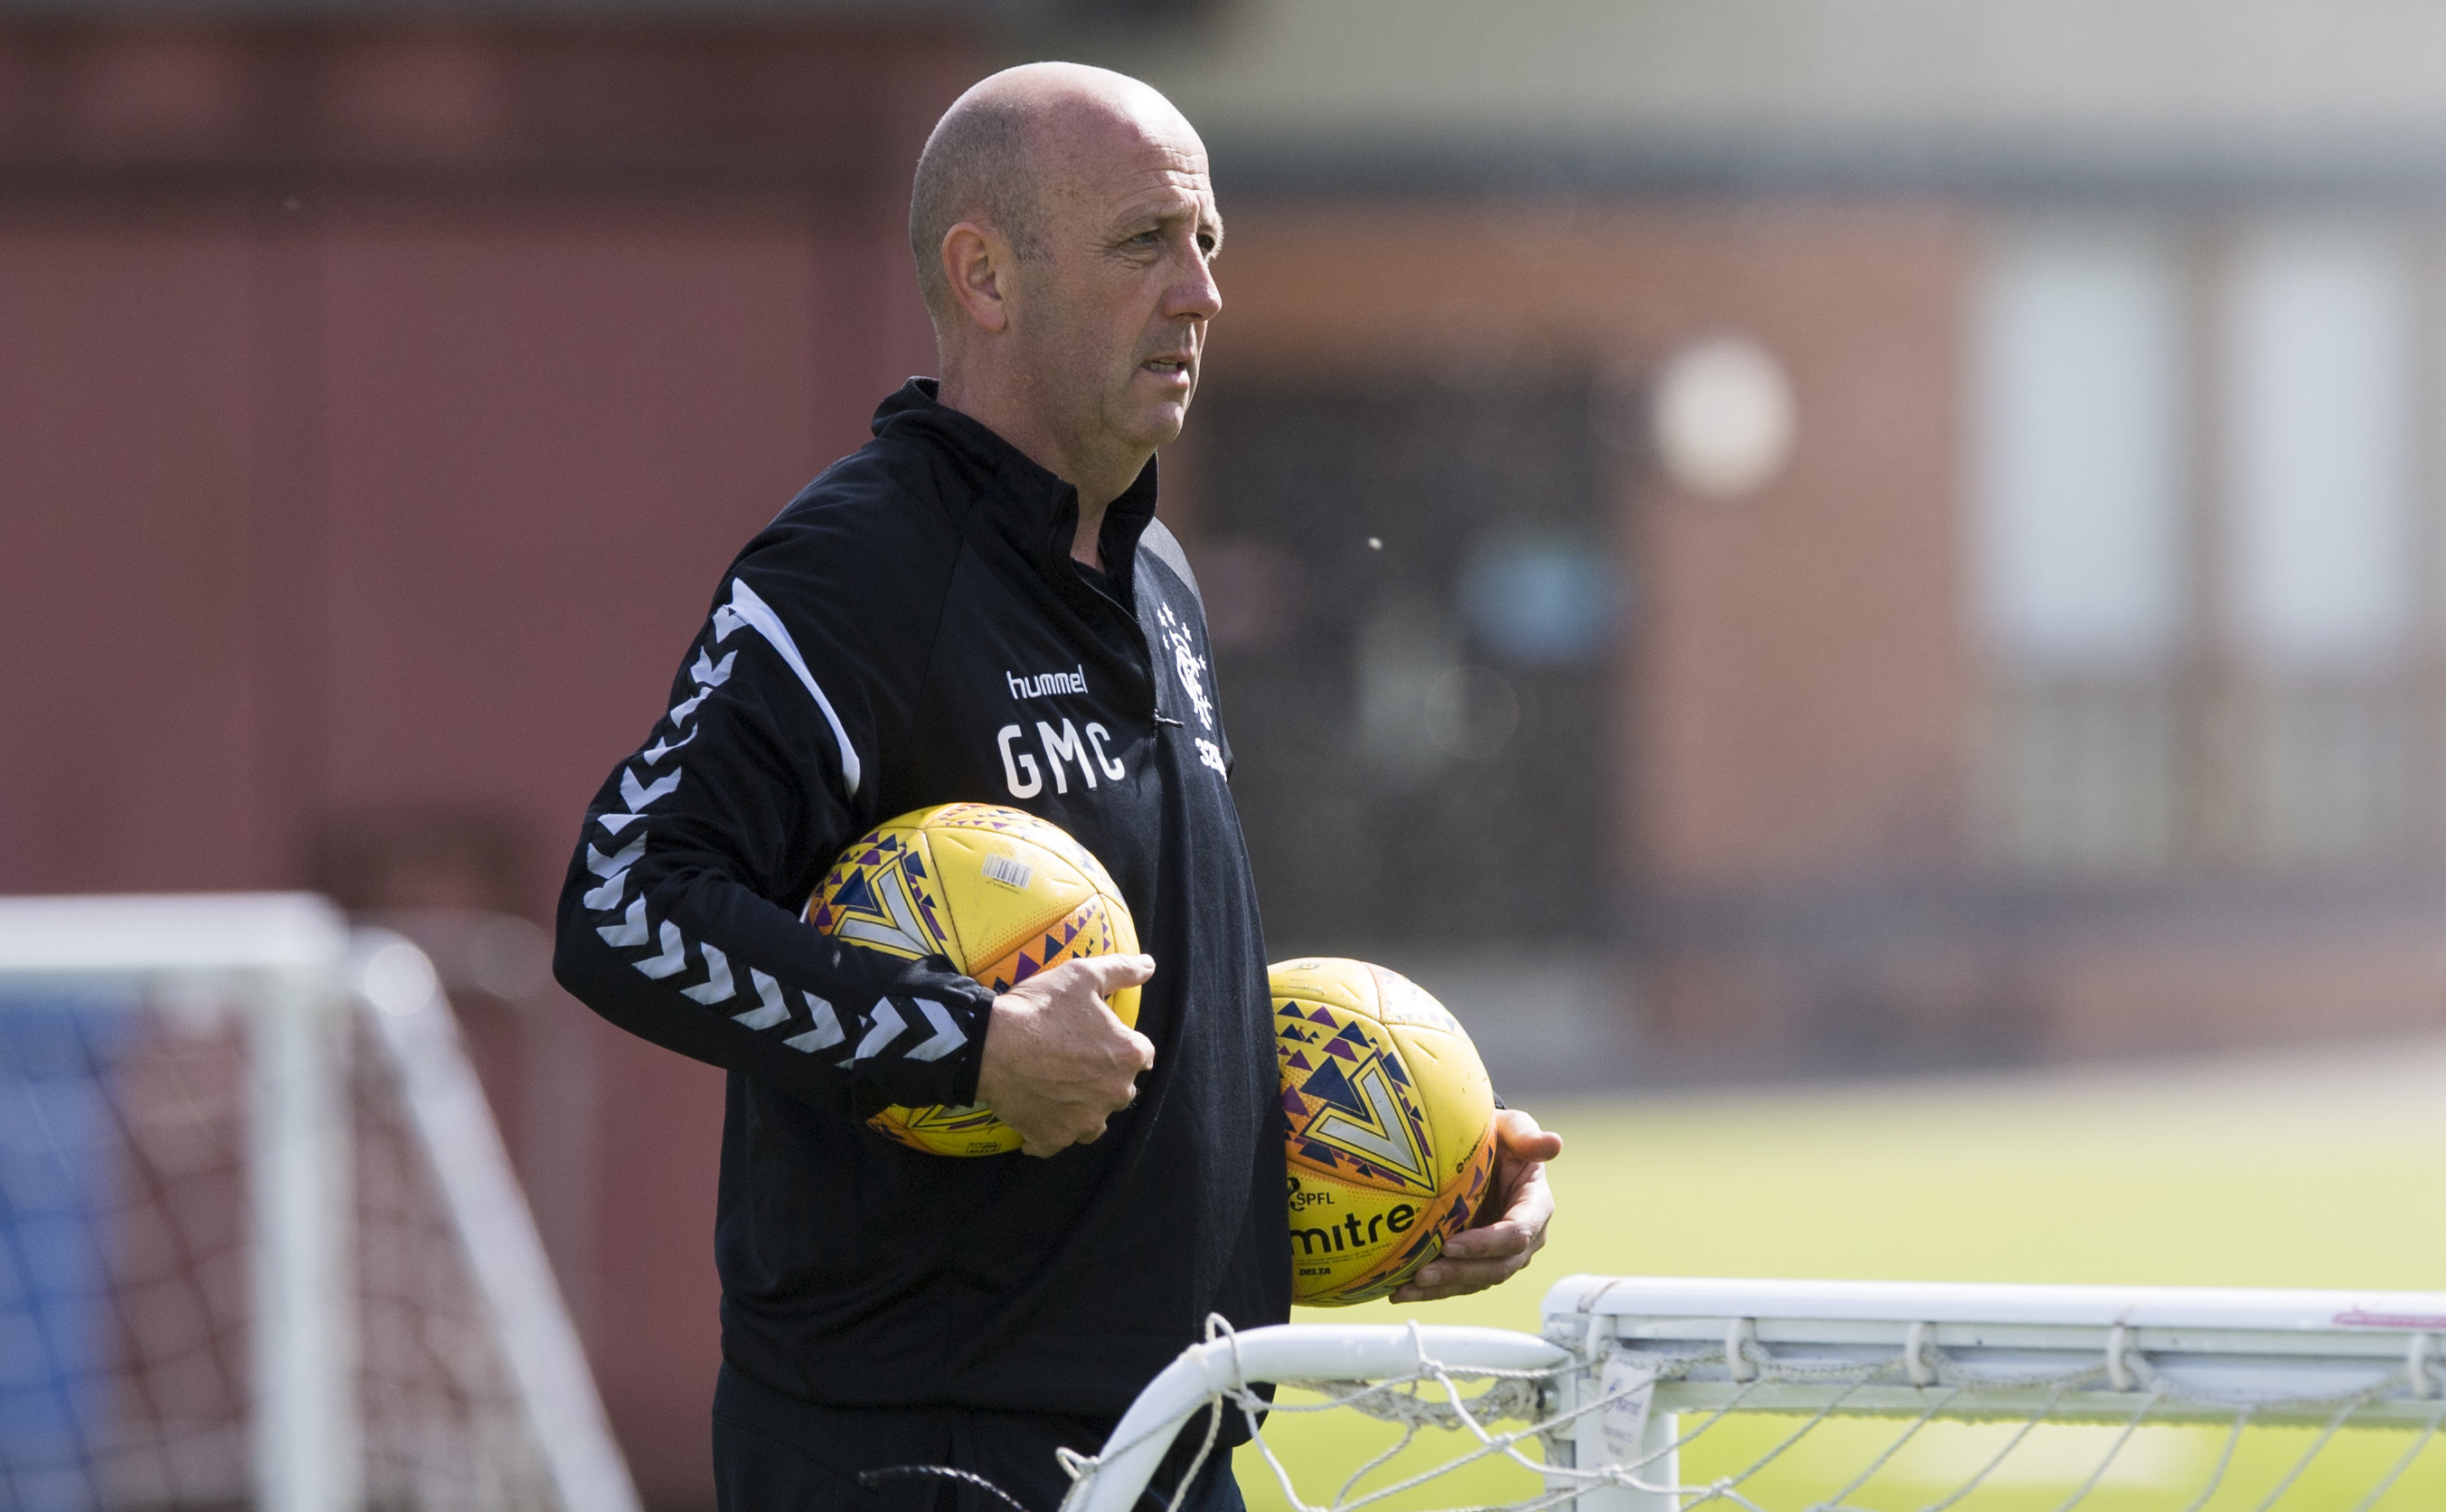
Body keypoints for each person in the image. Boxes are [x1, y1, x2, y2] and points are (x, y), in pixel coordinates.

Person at [551, 61, 1563, 1512]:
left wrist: (1403, 1179)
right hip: (919, 1454)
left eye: (1208, 242)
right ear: (986, 276)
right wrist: (964, 1046)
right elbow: (622, 905)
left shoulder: (1153, 574)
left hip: (1173, 1433)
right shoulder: (855, 571)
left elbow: (1117, 1021)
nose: (1201, 292)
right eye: (1145, 242)